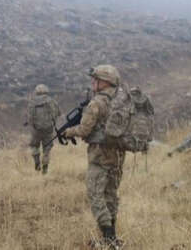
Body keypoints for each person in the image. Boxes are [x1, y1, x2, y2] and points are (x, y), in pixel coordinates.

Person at [64, 65, 125, 248]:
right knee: (111, 195)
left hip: (100, 157)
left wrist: (68, 132)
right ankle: (112, 238)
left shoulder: (96, 103)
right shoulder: (122, 100)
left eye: (95, 79)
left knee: (96, 195)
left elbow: (84, 130)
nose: (92, 82)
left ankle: (108, 239)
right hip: (118, 156)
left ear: (105, 82)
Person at [26, 84, 61, 174]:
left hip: (35, 130)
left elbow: (29, 117)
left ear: (36, 91)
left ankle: (37, 162)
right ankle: (45, 169)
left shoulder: (32, 102)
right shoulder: (51, 101)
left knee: (34, 146)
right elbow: (58, 113)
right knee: (47, 149)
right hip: (48, 130)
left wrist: (32, 125)